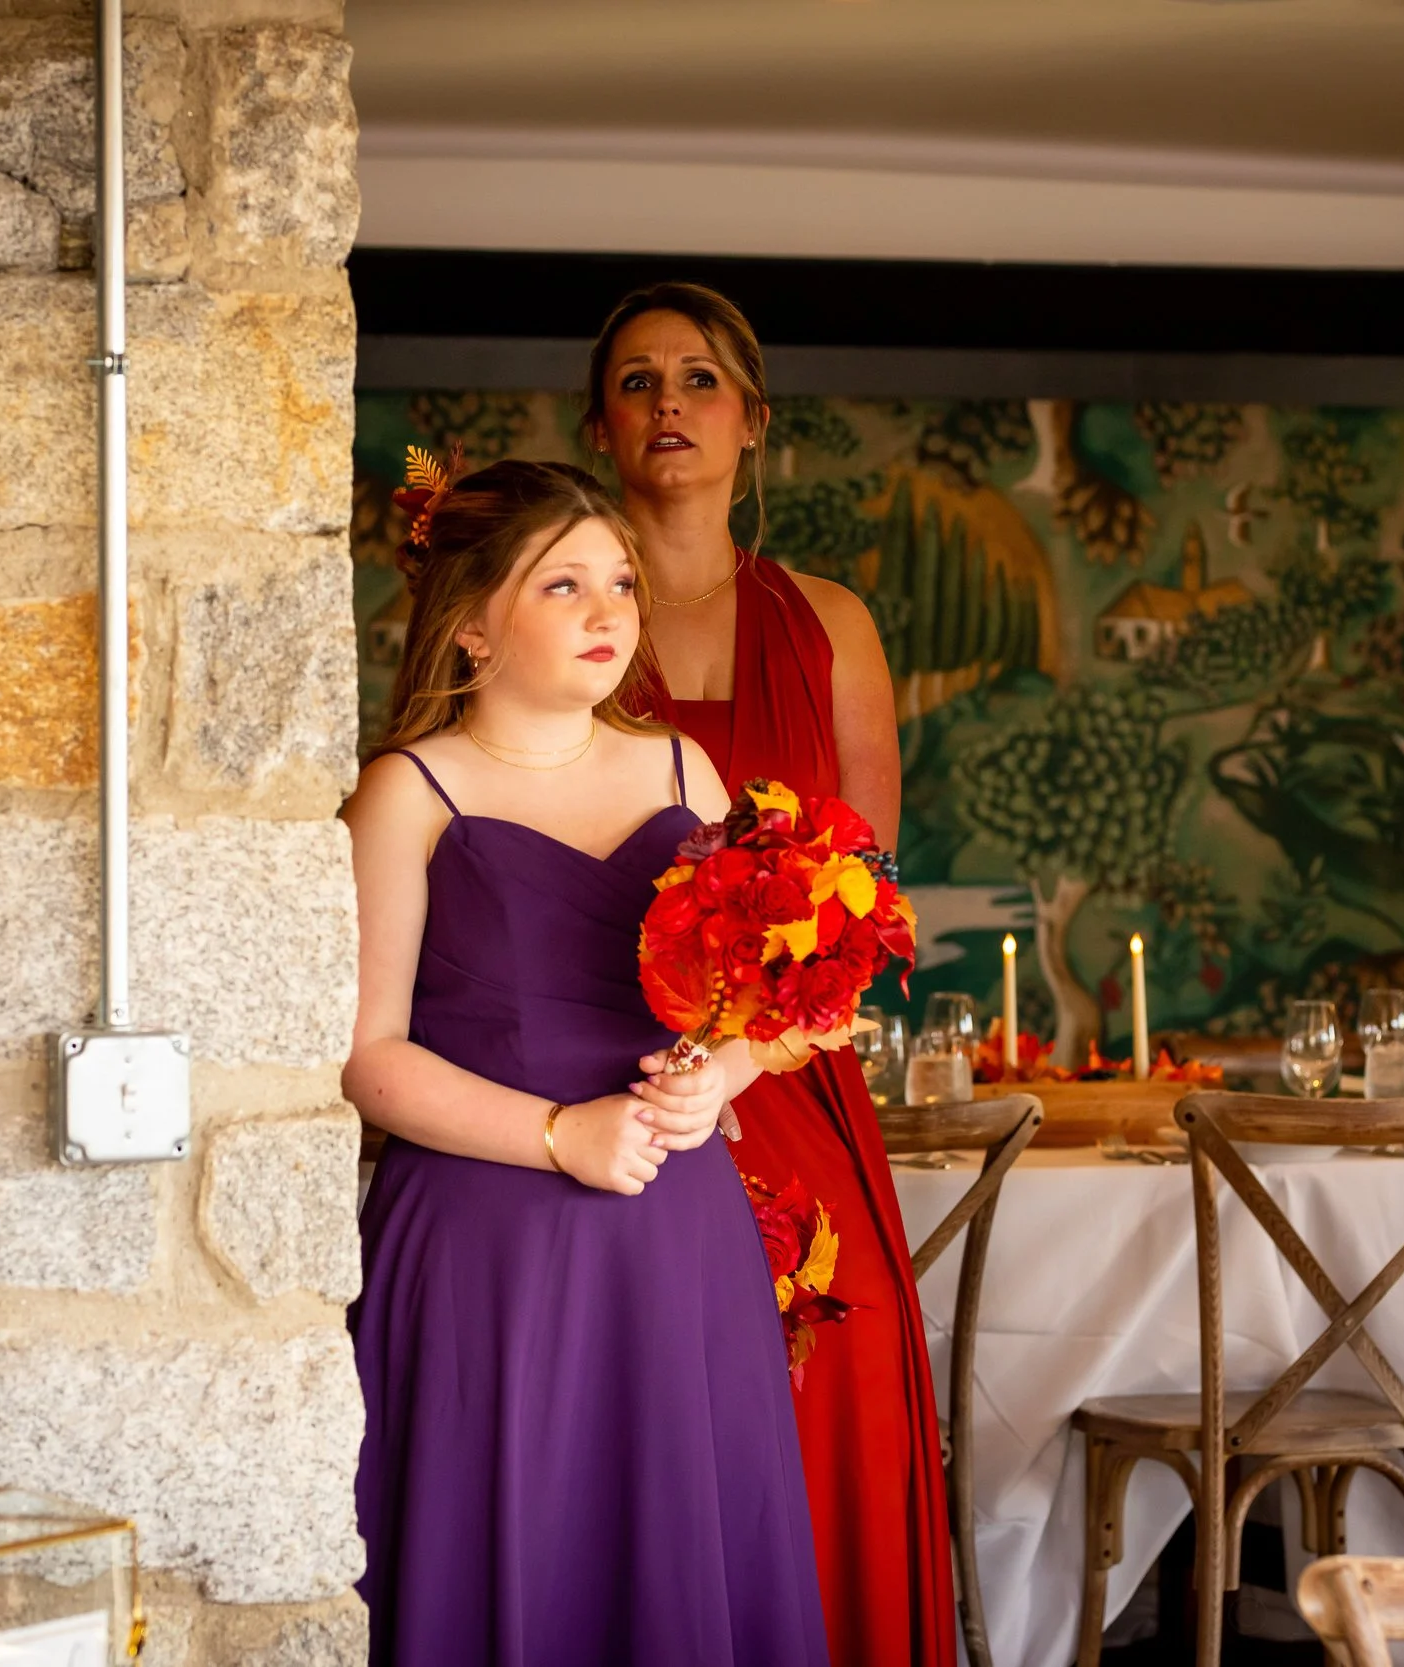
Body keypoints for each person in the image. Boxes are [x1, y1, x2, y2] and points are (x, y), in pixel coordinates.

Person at [343, 456, 829, 1667]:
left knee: (681, 1549)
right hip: (490, 1238)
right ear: (470, 624)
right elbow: (366, 1055)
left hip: (678, 1227)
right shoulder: (407, 792)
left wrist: (723, 1075)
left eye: (618, 580)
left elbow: (740, 1003)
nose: (608, 609)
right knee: (518, 1546)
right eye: (562, 583)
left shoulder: (683, 769)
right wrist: (561, 1134)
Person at [586, 282, 956, 1667]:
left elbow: (868, 899)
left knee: (834, 1379)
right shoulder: (560, 613)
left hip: (791, 1074)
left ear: (752, 421)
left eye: (698, 378)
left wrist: (749, 1052)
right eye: (636, 380)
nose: (666, 403)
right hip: (609, 1079)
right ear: (599, 426)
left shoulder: (831, 623)